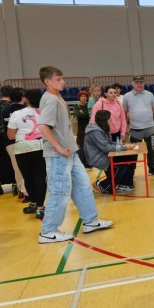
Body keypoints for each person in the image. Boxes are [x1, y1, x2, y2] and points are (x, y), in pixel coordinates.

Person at [37, 66, 113, 243]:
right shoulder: (50, 99)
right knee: (59, 191)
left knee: (83, 185)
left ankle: (90, 221)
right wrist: (58, 147)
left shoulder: (57, 97)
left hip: (70, 152)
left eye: (62, 78)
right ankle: (48, 231)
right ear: (47, 81)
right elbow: (43, 126)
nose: (63, 81)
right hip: (58, 155)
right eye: (58, 79)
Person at [7, 89, 47, 218]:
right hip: (41, 146)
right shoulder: (44, 113)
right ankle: (41, 208)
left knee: (27, 177)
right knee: (40, 177)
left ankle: (33, 203)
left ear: (26, 99)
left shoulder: (17, 113)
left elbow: (10, 135)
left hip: (23, 147)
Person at [85, 110, 137, 194]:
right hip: (98, 157)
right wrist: (125, 147)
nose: (111, 121)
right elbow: (106, 147)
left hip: (106, 154)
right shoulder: (95, 132)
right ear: (104, 120)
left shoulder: (103, 129)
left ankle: (126, 183)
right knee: (121, 166)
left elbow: (110, 143)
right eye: (110, 119)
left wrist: (123, 146)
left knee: (131, 156)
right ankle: (102, 185)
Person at [122, 75, 154, 177]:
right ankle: (131, 171)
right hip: (135, 130)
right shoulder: (127, 96)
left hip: (149, 129)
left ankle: (151, 168)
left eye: (141, 83)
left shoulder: (149, 94)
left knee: (151, 150)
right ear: (132, 84)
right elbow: (124, 112)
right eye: (137, 83)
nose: (139, 84)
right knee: (134, 152)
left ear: (144, 83)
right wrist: (125, 126)